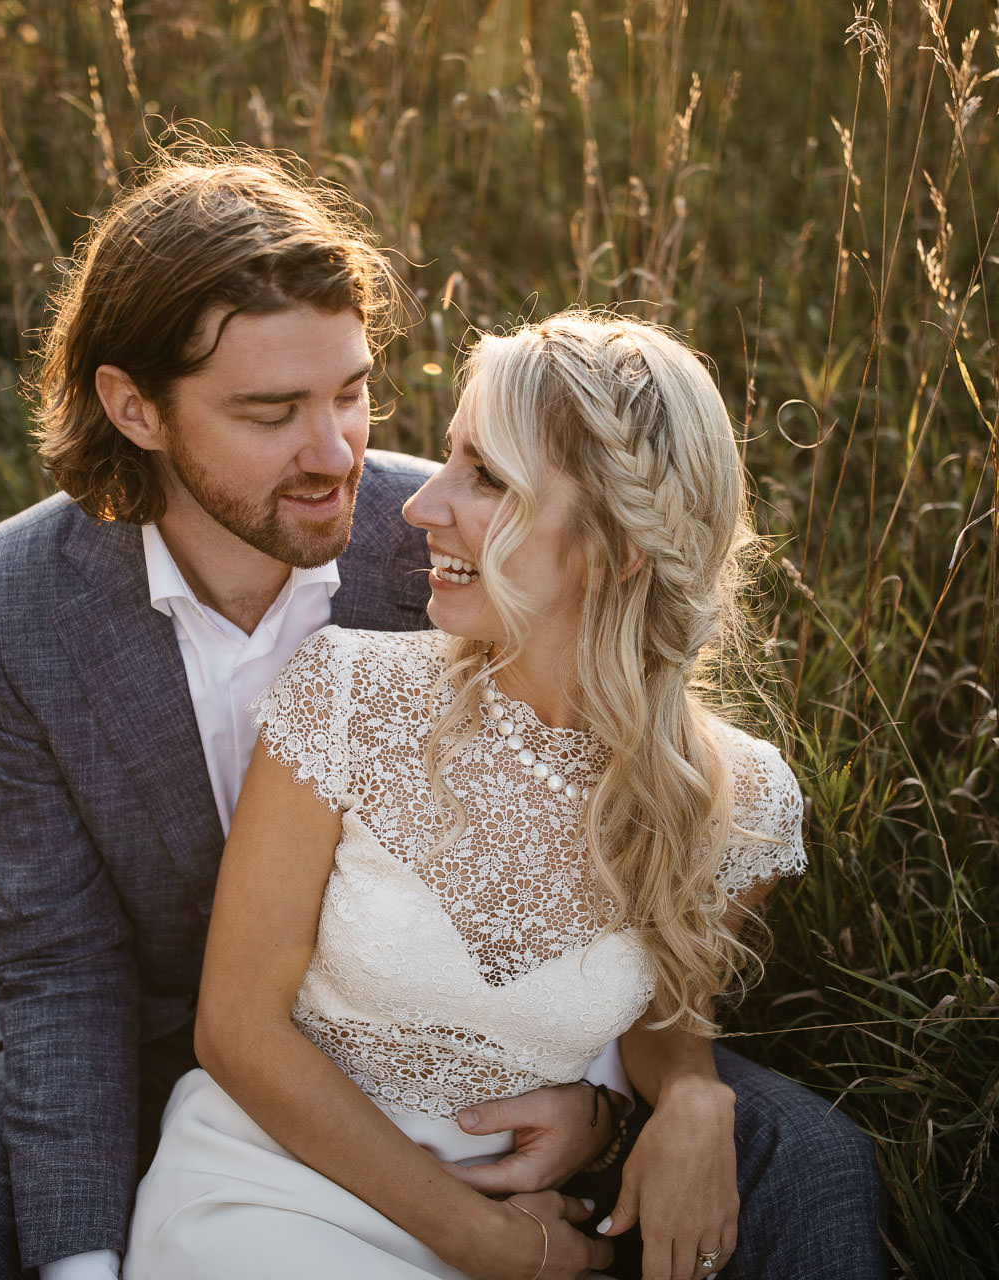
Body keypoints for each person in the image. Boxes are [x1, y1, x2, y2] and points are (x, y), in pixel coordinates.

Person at [0, 150, 681, 1280]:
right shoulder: (9, 602)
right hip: (134, 1030)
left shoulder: (456, 536)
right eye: (271, 411)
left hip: (420, 1030)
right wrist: (80, 1265)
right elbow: (63, 961)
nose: (337, 452)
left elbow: (605, 838)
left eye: (352, 391)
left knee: (814, 1163)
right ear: (135, 407)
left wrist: (649, 1097)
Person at [124, 312, 889, 1279]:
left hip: (541, 1218)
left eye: (487, 477)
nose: (421, 504)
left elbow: (660, 1012)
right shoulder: (345, 696)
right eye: (449, 460)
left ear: (620, 546)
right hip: (272, 1194)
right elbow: (234, 1029)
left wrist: (694, 1094)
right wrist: (479, 1240)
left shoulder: (740, 804)